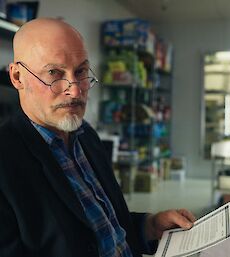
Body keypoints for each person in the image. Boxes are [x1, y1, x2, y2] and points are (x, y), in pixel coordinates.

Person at [0, 17, 195, 257]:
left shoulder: (86, 136)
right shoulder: (6, 158)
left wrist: (150, 226)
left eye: (81, 71)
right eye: (54, 72)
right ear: (17, 77)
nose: (75, 90)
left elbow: (104, 228)